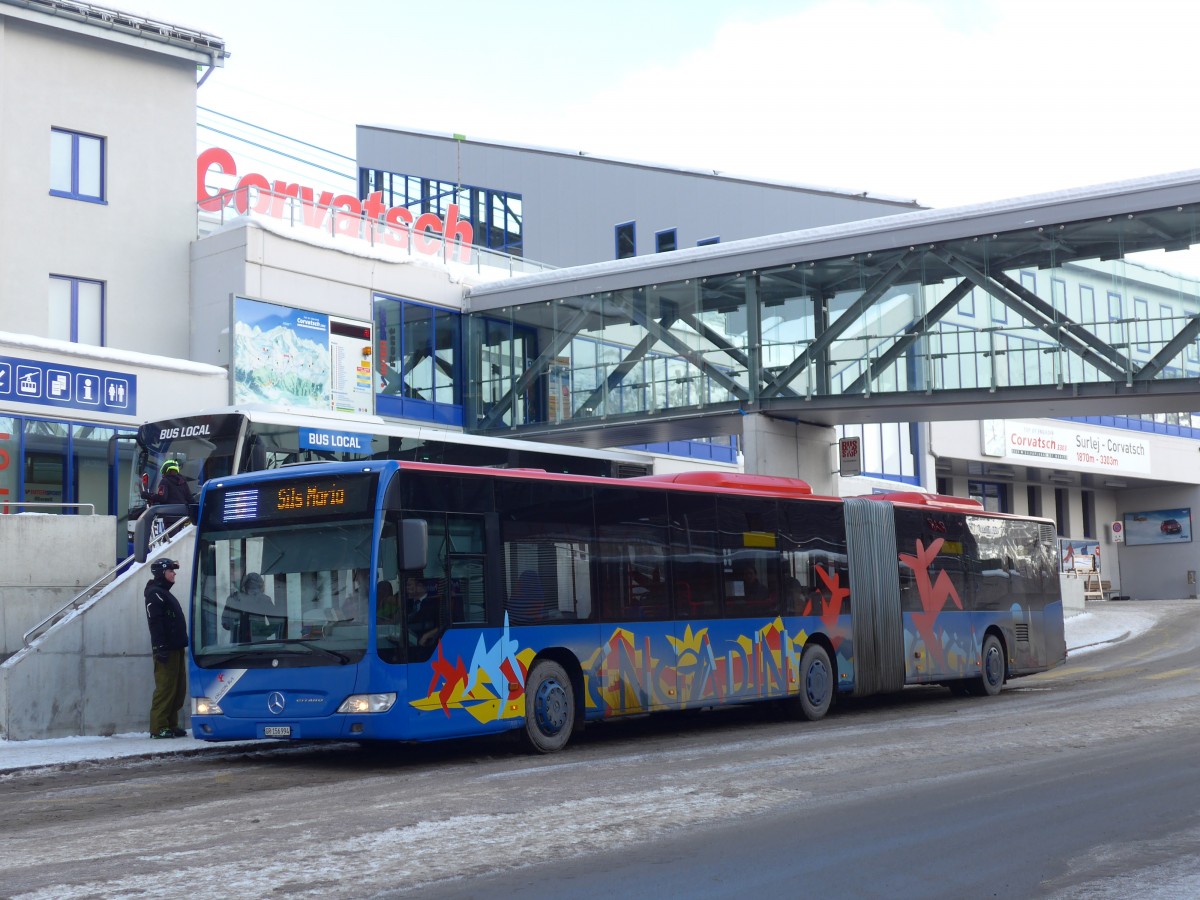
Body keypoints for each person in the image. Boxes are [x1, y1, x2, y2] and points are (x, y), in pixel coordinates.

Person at [144, 557, 188, 739]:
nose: (174, 573)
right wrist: (160, 646)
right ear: (162, 573)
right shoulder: (155, 593)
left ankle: (171, 724)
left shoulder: (164, 592)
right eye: (171, 571)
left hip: (175, 647)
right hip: (165, 649)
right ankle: (158, 727)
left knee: (178, 688)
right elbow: (155, 622)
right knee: (165, 688)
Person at [222, 572, 284, 642]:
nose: (252, 590)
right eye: (251, 587)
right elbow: (225, 623)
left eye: (254, 588)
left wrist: (261, 633)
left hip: (251, 645)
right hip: (243, 644)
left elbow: (276, 623)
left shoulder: (263, 600)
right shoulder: (234, 599)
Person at [405, 575, 440, 646]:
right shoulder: (407, 603)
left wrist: (427, 635)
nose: (406, 588)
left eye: (409, 585)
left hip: (427, 645)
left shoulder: (434, 603)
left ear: (420, 586)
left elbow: (441, 625)